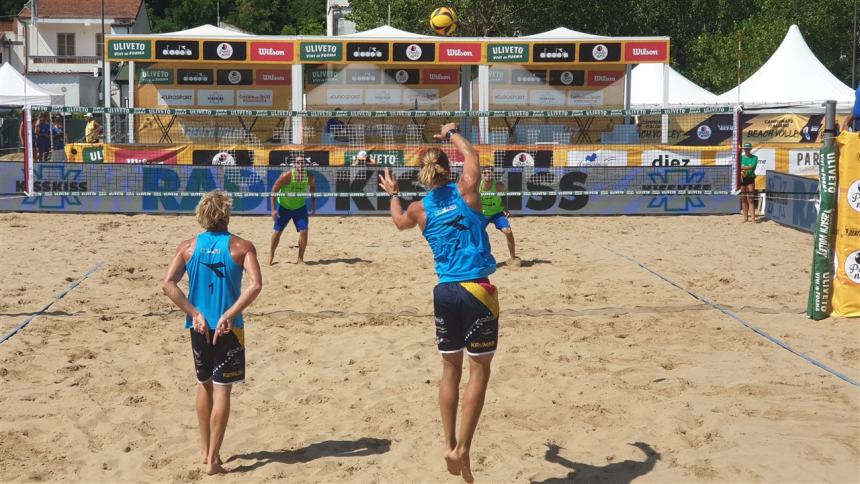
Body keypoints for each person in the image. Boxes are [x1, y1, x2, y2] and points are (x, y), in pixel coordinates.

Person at [378, 123, 498, 483]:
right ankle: (463, 449)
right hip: (477, 288)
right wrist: (451, 132)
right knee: (480, 371)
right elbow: (473, 158)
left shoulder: (418, 209)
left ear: (425, 175)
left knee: (451, 370)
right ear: (449, 168)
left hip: (445, 293)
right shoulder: (466, 191)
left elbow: (399, 222)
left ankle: (448, 443)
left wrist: (393, 193)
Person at [161, 191, 263, 475]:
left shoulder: (188, 247)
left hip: (200, 326)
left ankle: (205, 451)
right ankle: (213, 461)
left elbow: (168, 284)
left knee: (203, 383)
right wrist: (230, 313)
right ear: (227, 214)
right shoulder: (241, 246)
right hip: (228, 328)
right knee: (222, 390)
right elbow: (256, 285)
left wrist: (194, 313)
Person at [269, 156, 316, 265]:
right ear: (294, 164)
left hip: (300, 207)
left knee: (304, 231)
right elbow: (274, 190)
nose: (301, 164)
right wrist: (273, 210)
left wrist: (313, 206)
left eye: (303, 162)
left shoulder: (309, 176)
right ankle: (271, 254)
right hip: (284, 207)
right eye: (298, 162)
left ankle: (300, 258)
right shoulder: (287, 175)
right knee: (278, 232)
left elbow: (313, 188)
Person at [480, 166, 519, 265]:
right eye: (485, 173)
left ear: (493, 174)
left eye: (489, 173)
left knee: (508, 232)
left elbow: (503, 197)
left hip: (497, 213)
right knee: (476, 235)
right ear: (482, 175)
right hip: (482, 214)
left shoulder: (498, 185)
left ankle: (513, 257)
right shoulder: (477, 186)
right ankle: (478, 259)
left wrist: (506, 209)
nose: (487, 175)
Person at [740, 142, 759, 223]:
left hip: (750, 179)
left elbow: (752, 167)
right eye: (745, 148)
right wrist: (745, 168)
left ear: (750, 149)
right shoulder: (740, 157)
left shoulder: (754, 157)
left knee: (750, 199)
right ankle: (745, 218)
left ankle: (753, 219)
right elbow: (738, 167)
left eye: (748, 148)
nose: (746, 150)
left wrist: (743, 168)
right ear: (743, 149)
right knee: (743, 199)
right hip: (742, 179)